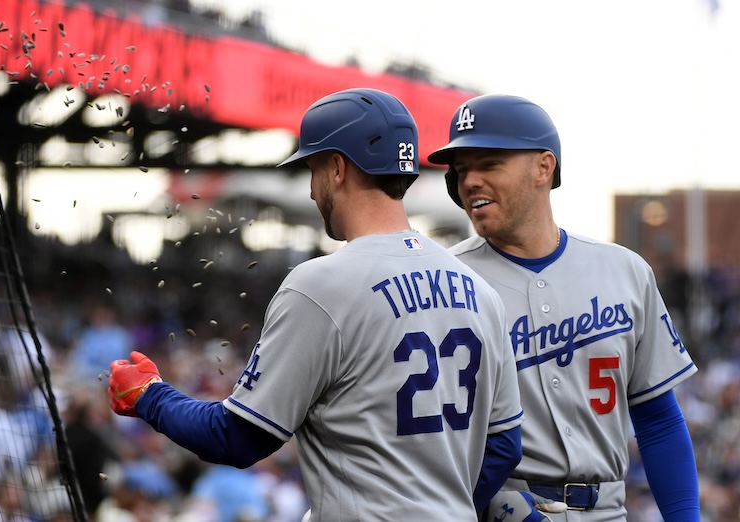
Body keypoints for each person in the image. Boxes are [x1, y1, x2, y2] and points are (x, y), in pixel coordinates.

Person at [106, 87, 525, 521]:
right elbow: (504, 447)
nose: (311, 190)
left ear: (337, 168)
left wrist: (150, 396)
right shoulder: (480, 290)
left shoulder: (320, 284)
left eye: (313, 169)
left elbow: (236, 437)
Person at [427, 94, 701, 521]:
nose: (470, 181)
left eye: (489, 164)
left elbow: (658, 421)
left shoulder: (624, 271)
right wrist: (481, 504)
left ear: (543, 167)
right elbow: (425, 440)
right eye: (461, 171)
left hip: (608, 510)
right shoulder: (443, 283)